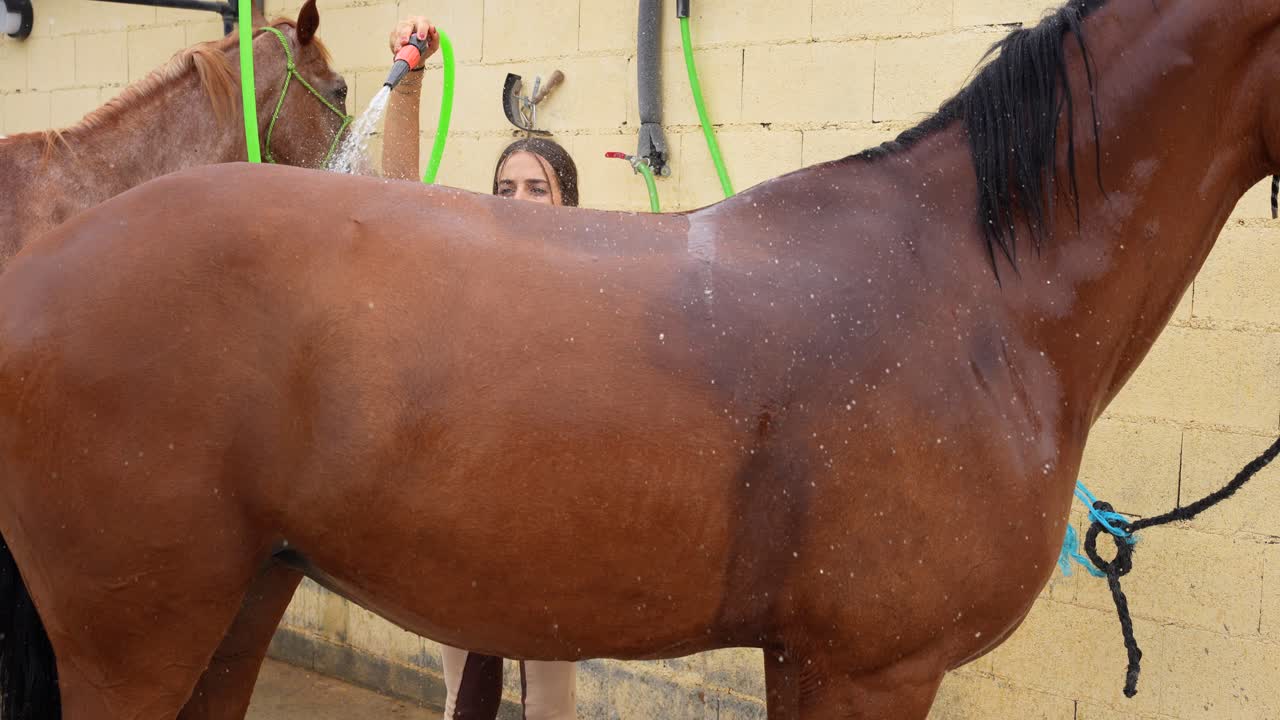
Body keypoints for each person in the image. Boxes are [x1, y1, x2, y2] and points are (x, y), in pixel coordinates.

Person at [379, 16, 580, 720]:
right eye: (504, 189)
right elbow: (397, 203)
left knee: (549, 701)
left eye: (536, 188)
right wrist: (411, 89)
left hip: (552, 526)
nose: (518, 201)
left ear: (568, 206)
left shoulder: (591, 287)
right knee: (465, 702)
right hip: (465, 518)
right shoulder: (469, 273)